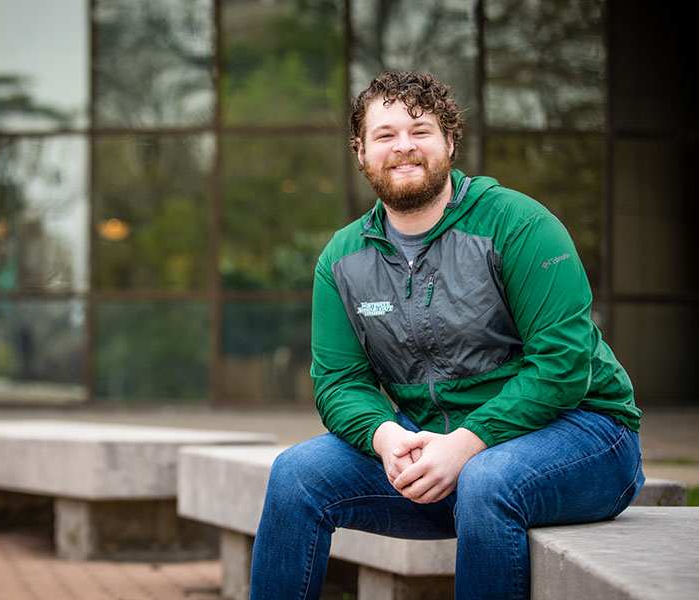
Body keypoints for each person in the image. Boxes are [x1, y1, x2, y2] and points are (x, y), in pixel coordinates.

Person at [248, 70, 644, 600]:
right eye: (385, 135)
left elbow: (563, 365)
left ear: (450, 143)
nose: (403, 147)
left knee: (486, 480)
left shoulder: (519, 226)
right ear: (361, 153)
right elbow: (340, 382)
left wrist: (467, 443)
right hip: (435, 446)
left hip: (587, 434)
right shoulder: (342, 261)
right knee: (296, 475)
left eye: (421, 130)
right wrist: (385, 437)